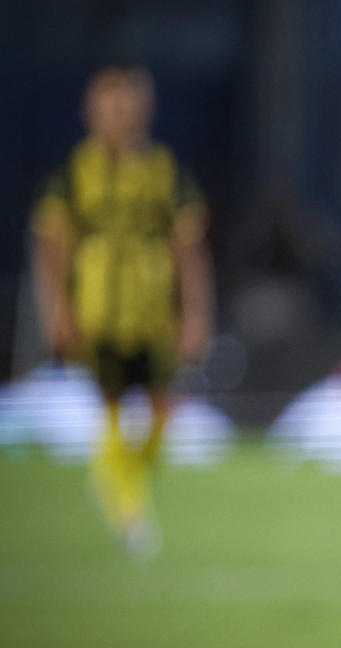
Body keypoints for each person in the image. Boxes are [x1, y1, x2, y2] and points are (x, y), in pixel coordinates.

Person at [31, 65, 214, 557]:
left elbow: (188, 246)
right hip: (99, 311)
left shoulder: (164, 172)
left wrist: (195, 315)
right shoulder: (73, 174)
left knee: (161, 407)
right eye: (112, 107)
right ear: (91, 112)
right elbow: (51, 244)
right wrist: (57, 309)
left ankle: (117, 477)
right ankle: (129, 512)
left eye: (129, 106)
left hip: (151, 310)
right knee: (111, 403)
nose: (121, 116)